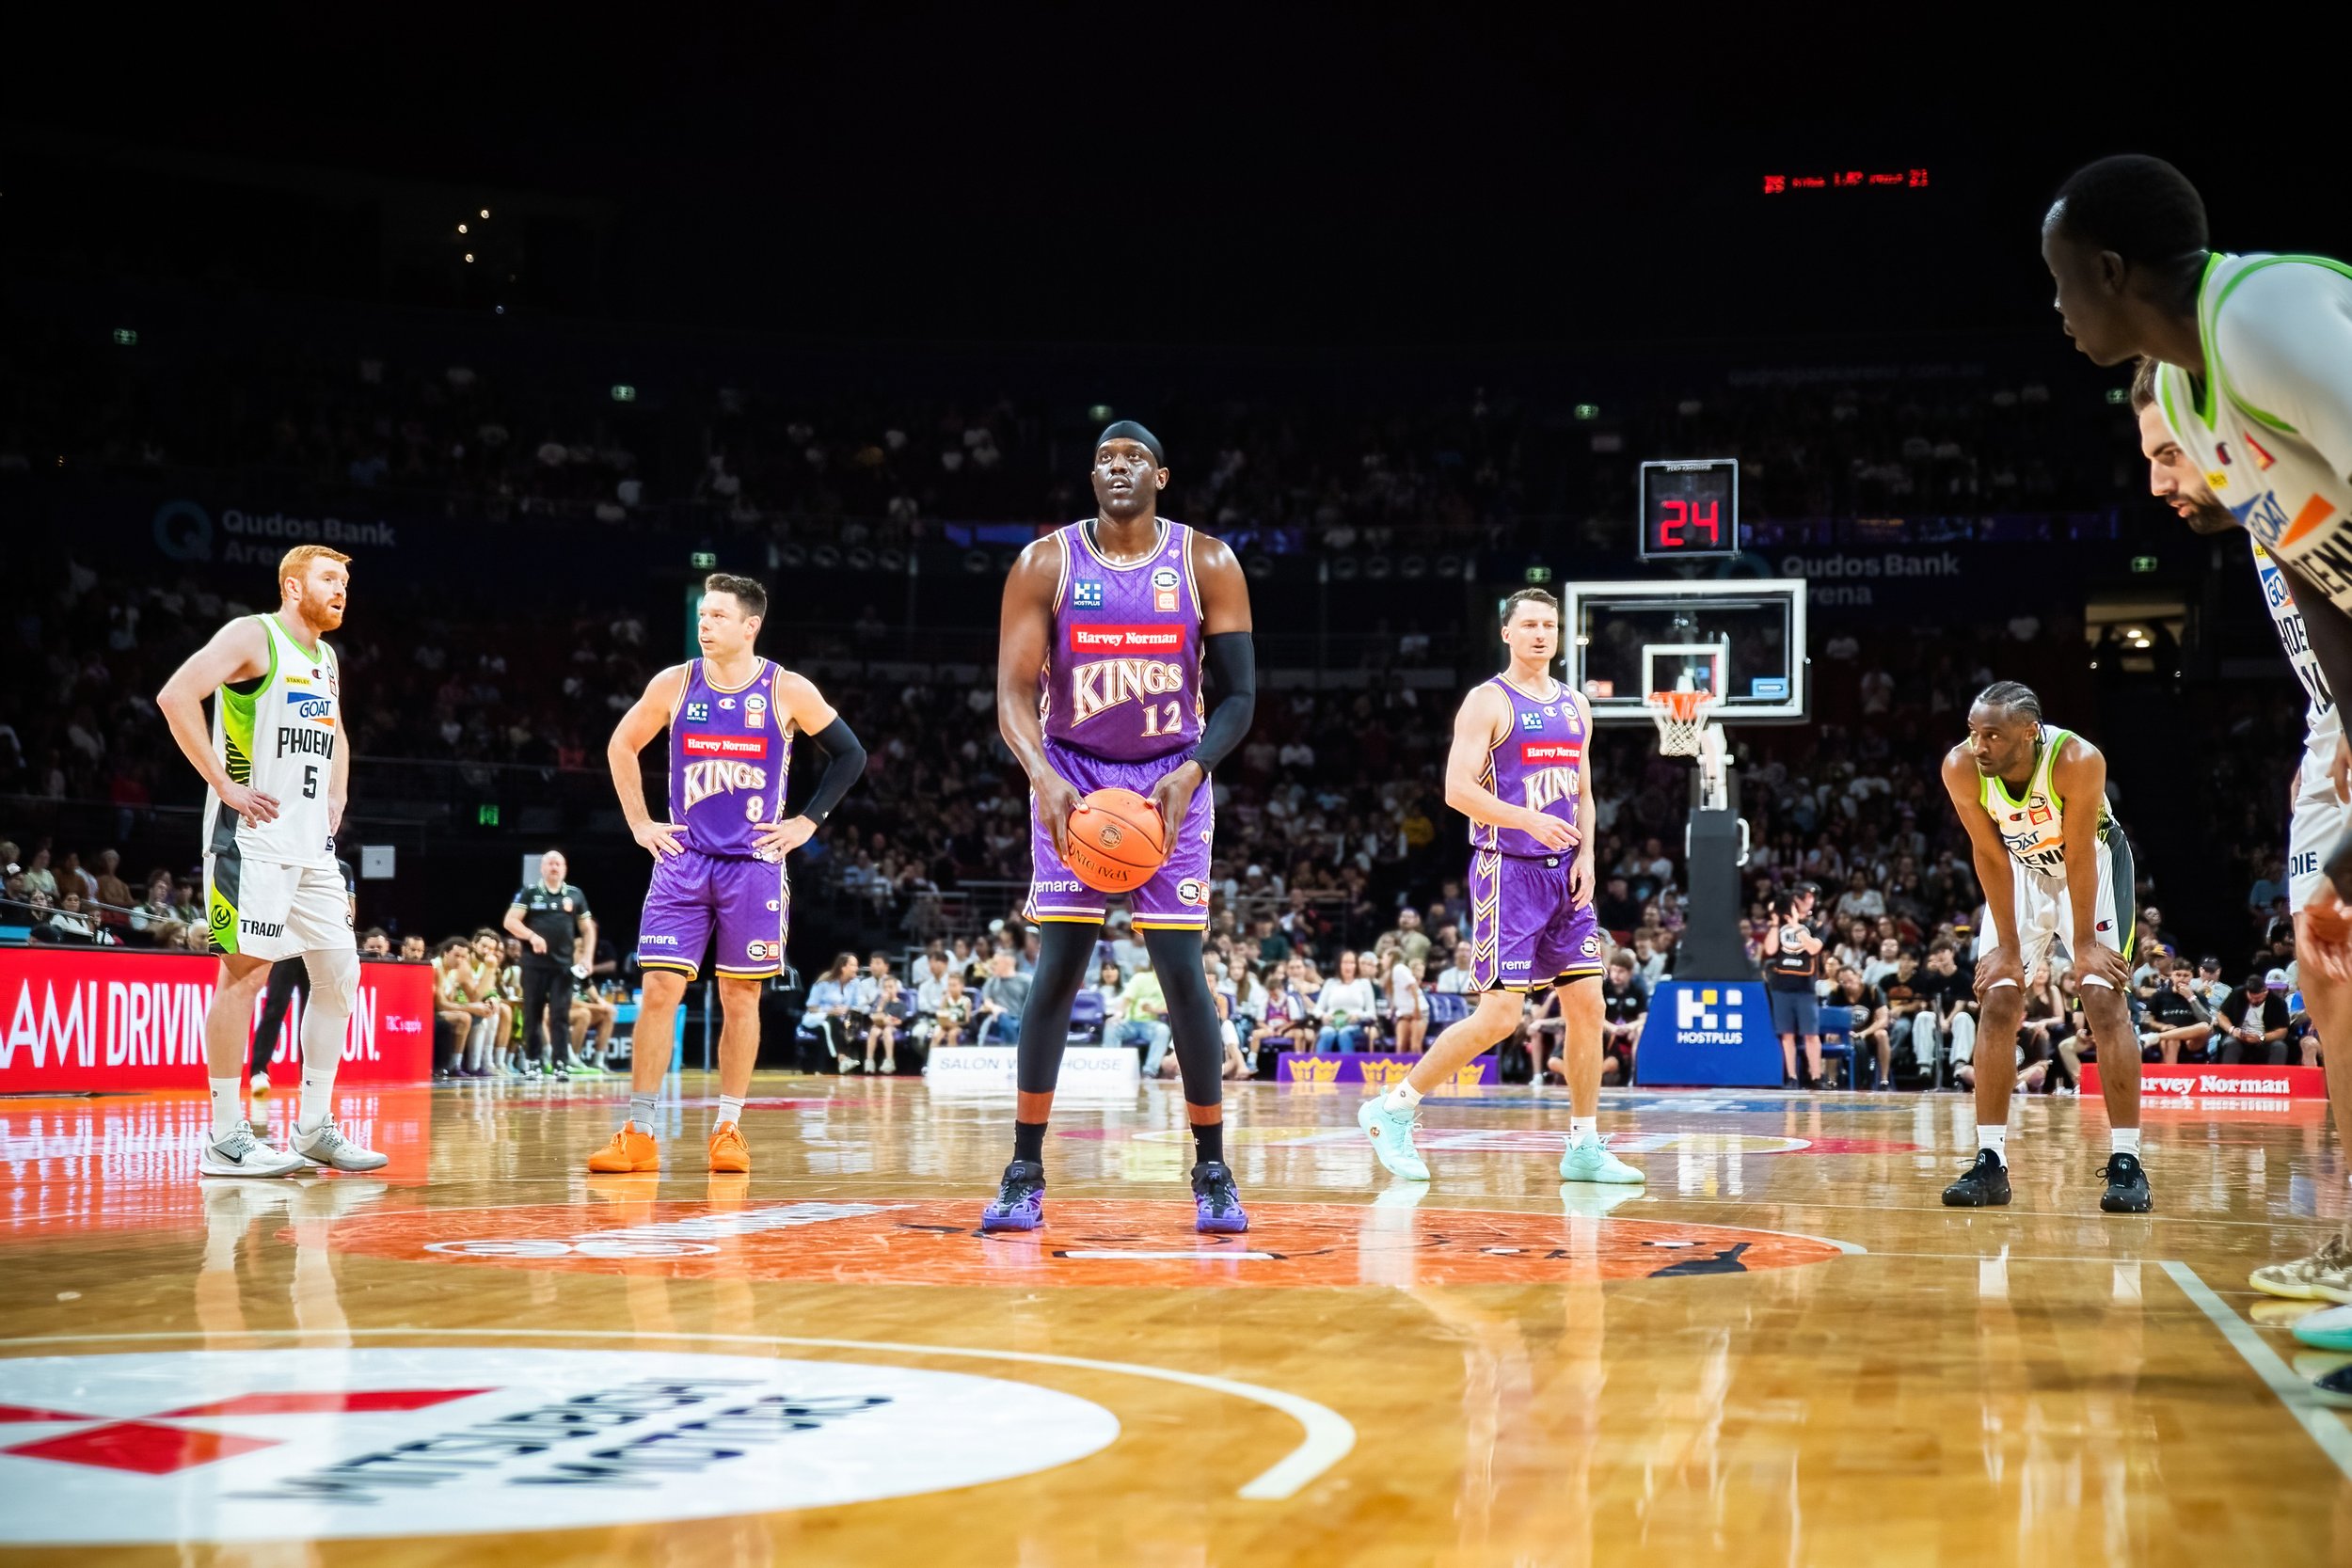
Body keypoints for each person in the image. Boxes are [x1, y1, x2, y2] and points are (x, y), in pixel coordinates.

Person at [980, 421, 1258, 1235]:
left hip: (1171, 779)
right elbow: (1013, 694)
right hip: (1074, 780)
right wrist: (1044, 778)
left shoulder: (1207, 562)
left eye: (1134, 458)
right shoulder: (1046, 563)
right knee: (1058, 970)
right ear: (1091, 476)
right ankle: (1024, 1170)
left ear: (1161, 476)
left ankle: (1212, 1171)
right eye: (1105, 458)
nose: (1118, 467)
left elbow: (1240, 697)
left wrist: (1192, 771)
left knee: (1182, 975)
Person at [586, 573, 866, 1176]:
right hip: (682, 862)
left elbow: (851, 754)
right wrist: (640, 823)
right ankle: (639, 1132)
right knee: (659, 991)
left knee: (741, 997)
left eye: (717, 616)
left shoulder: (787, 689)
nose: (704, 624)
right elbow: (620, 745)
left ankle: (728, 1129)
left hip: (754, 866)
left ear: (750, 626)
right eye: (702, 615)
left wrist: (808, 822)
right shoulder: (675, 682)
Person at [1358, 588, 1639, 1186]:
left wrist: (1589, 854)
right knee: (1500, 1017)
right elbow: (1457, 790)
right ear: (1507, 633)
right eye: (1529, 624)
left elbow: (1584, 793)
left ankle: (1584, 1145)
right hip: (1508, 871)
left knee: (1589, 1004)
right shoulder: (1487, 701)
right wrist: (1527, 820)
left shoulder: (1576, 705)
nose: (1541, 634)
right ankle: (1393, 1109)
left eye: (1550, 625)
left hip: (1567, 874)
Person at [152, 544, 383, 1177]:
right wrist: (224, 785)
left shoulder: (326, 658)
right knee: (244, 977)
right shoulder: (253, 635)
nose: (341, 590)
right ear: (292, 586)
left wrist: (338, 791)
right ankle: (226, 1137)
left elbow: (335, 730)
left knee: (339, 975)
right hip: (250, 842)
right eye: (328, 578)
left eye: (344, 581)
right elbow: (176, 696)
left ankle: (314, 1128)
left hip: (312, 849)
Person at [1939, 681, 2146, 1212]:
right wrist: (2008, 949)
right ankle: (1990, 1161)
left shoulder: (2076, 759)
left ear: (2030, 732)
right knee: (1998, 999)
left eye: (1992, 735)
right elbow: (1988, 854)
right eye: (1973, 732)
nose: (1978, 745)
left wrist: (2084, 944)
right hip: (2021, 872)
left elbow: (2079, 854)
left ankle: (2127, 1161)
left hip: (2092, 865)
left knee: (2102, 998)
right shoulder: (1960, 767)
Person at [250, 855, 359, 1095]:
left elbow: (349, 910)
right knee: (275, 1005)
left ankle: (308, 1077)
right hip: (288, 944)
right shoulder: (290, 857)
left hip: (320, 946)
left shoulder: (342, 868)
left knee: (316, 1010)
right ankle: (258, 1070)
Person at [505, 848, 598, 1078]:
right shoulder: (530, 892)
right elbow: (510, 921)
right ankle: (533, 1062)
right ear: (542, 868)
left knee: (560, 1015)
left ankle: (560, 1064)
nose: (554, 867)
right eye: (550, 863)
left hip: (563, 966)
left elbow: (587, 929)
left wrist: (587, 957)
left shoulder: (575, 894)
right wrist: (532, 936)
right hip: (534, 965)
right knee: (532, 1013)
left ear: (565, 868)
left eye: (558, 863)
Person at [1763, 883, 1828, 1089]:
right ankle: (1792, 1077)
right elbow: (1770, 949)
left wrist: (1796, 925)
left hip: (1806, 987)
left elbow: (1813, 948)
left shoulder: (1817, 925)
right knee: (1787, 1034)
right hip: (1781, 986)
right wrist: (1776, 922)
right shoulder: (1780, 924)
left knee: (1811, 1034)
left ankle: (1816, 1076)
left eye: (1808, 897)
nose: (1804, 901)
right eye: (1801, 897)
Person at [2139, 958, 2216, 1066]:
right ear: (2171, 975)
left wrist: (2191, 998)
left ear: (2192, 977)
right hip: (2167, 1035)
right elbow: (2145, 1019)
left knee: (2205, 1027)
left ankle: (2156, 1038)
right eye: (2178, 975)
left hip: (2191, 1039)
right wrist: (2162, 1026)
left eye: (2186, 975)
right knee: (2172, 1039)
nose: (2182, 979)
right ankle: (2170, 1073)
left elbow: (2207, 1020)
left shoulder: (2199, 996)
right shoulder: (2159, 995)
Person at [1589, 952, 1646, 1086]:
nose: (1616, 975)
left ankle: (1634, 1074)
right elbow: (1594, 1016)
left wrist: (1632, 1026)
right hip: (1606, 1029)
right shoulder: (1603, 987)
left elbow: (1644, 1018)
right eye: (1614, 970)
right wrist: (1611, 1027)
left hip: (1628, 1031)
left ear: (1630, 973)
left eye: (1621, 971)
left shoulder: (1638, 988)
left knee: (1640, 1030)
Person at [1832, 964, 1891, 1091]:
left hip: (1869, 1033)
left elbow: (1883, 1019)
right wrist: (1844, 1032)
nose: (1847, 985)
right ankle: (1831, 1081)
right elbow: (1831, 1019)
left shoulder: (1873, 990)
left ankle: (1884, 1080)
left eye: (1850, 980)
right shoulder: (1836, 992)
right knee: (1831, 1036)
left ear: (1858, 976)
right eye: (1843, 982)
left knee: (1882, 1035)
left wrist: (1864, 1033)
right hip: (1845, 1034)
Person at [2216, 972, 2293, 1066]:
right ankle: (2228, 1074)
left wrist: (2261, 1037)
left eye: (2257, 998)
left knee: (2279, 1047)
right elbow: (2221, 1015)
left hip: (2264, 1039)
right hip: (2239, 1038)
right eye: (2251, 997)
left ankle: (2275, 1075)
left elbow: (2282, 1031)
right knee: (2231, 1044)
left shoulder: (2277, 1002)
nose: (2253, 1001)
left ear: (2265, 992)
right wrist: (2232, 1030)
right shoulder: (2238, 993)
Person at [1312, 949, 1377, 1053]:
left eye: (1351, 963)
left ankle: (1348, 1062)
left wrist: (1358, 1016)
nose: (1348, 966)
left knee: (1344, 1033)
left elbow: (1371, 1012)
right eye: (1345, 962)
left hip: (1355, 1025)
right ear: (1339, 965)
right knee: (1326, 1033)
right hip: (1332, 1023)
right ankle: (1321, 1062)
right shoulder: (1330, 983)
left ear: (1356, 966)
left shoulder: (1364, 983)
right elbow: (1317, 1010)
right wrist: (1323, 1016)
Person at [803, 953, 859, 1066]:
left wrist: (846, 1009)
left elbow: (857, 1005)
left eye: (856, 965)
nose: (856, 969)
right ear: (843, 967)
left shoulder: (855, 984)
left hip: (842, 1020)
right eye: (853, 965)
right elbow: (811, 1006)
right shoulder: (824, 982)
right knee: (829, 1023)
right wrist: (829, 1011)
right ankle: (842, 1058)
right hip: (817, 1018)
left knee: (848, 1023)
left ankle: (842, 1062)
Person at [977, 949, 1030, 1045]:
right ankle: (1013, 1047)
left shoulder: (1026, 981)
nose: (992, 966)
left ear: (1008, 963)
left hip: (1022, 1019)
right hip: (999, 1019)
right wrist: (994, 1008)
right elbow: (987, 1001)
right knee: (1003, 1018)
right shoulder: (991, 982)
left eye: (996, 963)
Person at [1386, 942, 1427, 1053]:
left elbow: (1413, 986)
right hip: (1404, 1013)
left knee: (1415, 1046)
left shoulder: (1399, 968)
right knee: (1400, 1046)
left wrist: (1417, 1008)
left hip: (1418, 1010)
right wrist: (1391, 1009)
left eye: (1384, 957)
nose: (1382, 960)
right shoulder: (1391, 973)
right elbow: (1396, 994)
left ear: (1391, 957)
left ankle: (1419, 1065)